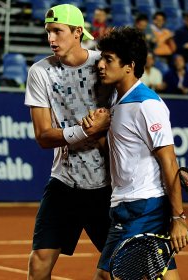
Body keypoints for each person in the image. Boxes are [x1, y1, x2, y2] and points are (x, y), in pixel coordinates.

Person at [84, 27, 188, 280]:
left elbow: (169, 161)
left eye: (108, 60)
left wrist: (178, 217)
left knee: (106, 275)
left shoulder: (147, 105)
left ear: (129, 66)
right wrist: (94, 133)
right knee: (161, 273)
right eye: (102, 58)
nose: (101, 65)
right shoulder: (115, 103)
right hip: (126, 203)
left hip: (143, 207)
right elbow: (118, 153)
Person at [23, 4, 113, 280]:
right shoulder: (40, 72)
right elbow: (43, 136)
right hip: (65, 182)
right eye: (48, 32)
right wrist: (86, 131)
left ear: (77, 33)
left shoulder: (105, 65)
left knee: (114, 272)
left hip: (108, 186)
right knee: (39, 265)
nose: (51, 39)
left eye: (57, 31)